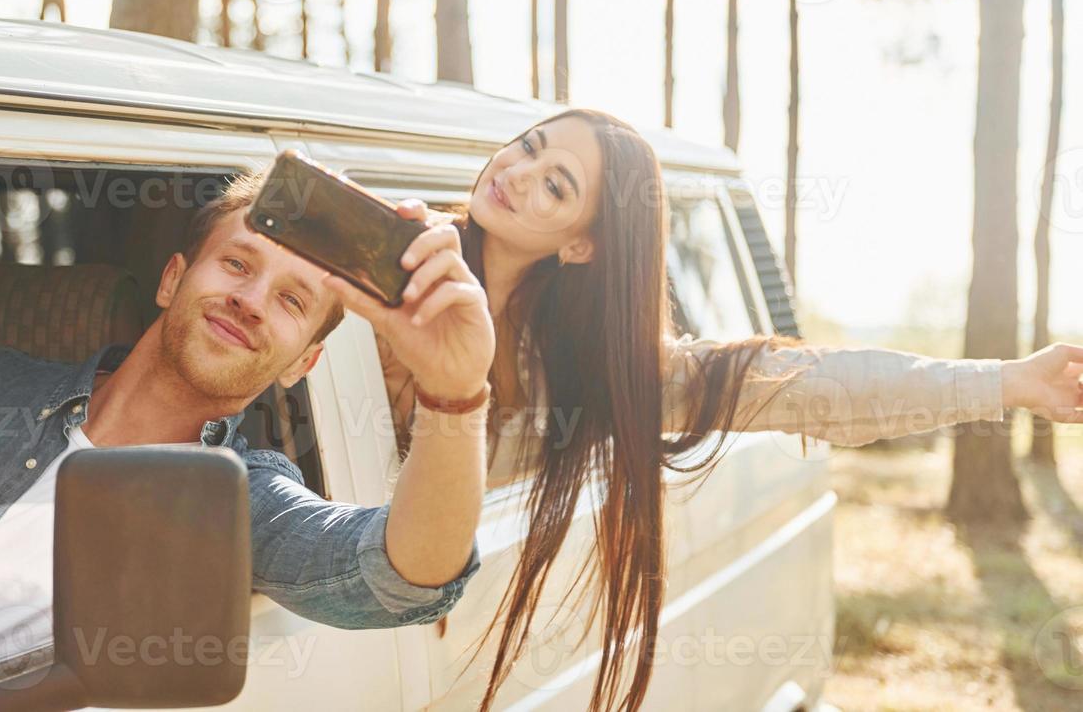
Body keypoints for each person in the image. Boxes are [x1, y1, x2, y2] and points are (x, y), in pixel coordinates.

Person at [374, 108, 1083, 712]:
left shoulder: (592, 367)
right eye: (527, 148)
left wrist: (1006, 383)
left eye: (555, 185)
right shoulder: (390, 260)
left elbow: (812, 385)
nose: (518, 174)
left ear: (582, 243)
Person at [0, 169, 494, 681]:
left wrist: (455, 391)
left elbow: (398, 576)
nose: (251, 300)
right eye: (237, 264)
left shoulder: (235, 501)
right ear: (173, 279)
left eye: (293, 302)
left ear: (303, 364)